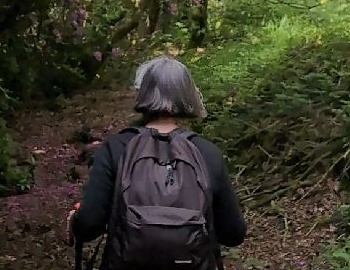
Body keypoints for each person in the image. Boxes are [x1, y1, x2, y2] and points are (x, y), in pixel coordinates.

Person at [68, 56, 246, 269]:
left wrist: (74, 221)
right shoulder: (207, 153)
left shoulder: (116, 148)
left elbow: (89, 224)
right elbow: (233, 234)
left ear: (143, 93)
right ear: (187, 96)